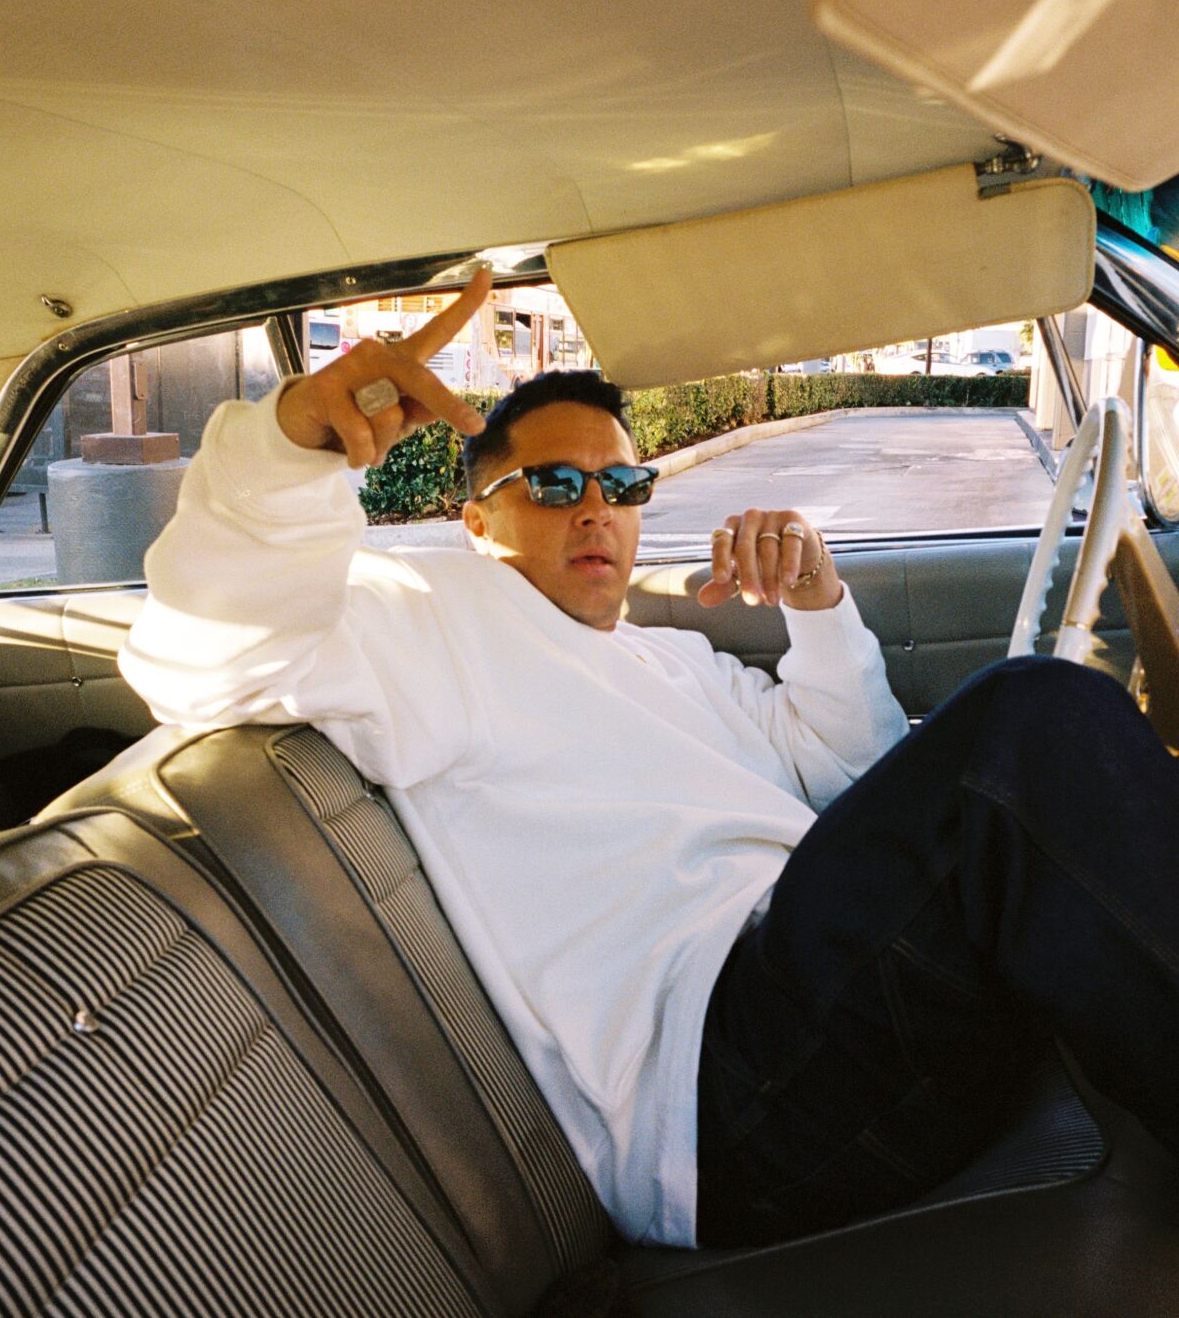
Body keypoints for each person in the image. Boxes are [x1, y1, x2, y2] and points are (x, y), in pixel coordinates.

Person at [122, 269, 1179, 1250]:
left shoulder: (669, 656)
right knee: (1031, 722)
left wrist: (818, 610)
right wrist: (288, 452)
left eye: (623, 481)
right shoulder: (430, 617)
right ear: (474, 518)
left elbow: (844, 768)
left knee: (1035, 753)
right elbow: (204, 656)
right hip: (726, 1091)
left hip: (825, 998)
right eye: (556, 482)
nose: (598, 506)